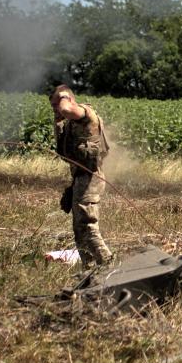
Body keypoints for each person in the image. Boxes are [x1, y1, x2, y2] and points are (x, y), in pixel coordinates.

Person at [51, 85, 113, 267]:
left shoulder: (84, 113)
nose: (56, 109)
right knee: (79, 231)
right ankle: (90, 270)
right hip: (80, 178)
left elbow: (67, 108)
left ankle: (108, 265)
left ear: (68, 98)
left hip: (91, 178)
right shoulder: (71, 124)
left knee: (88, 226)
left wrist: (62, 98)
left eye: (56, 104)